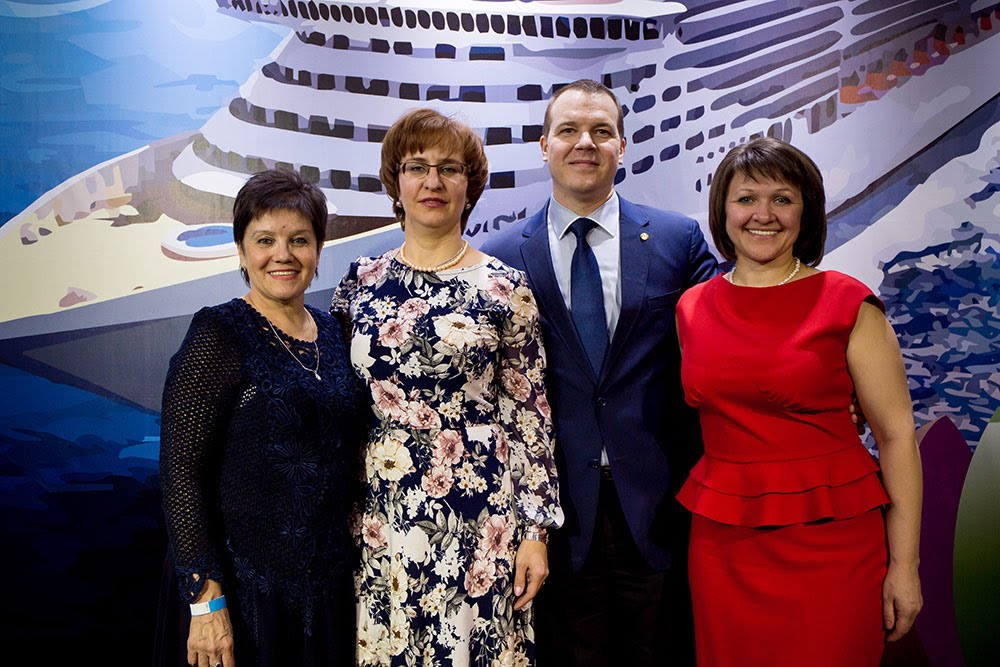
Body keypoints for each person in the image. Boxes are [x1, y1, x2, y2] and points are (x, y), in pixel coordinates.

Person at [481, 79, 717, 666]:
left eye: (600, 131)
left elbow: (733, 326)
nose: (584, 143)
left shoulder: (678, 239)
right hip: (556, 519)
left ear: (622, 146)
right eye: (568, 130)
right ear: (544, 146)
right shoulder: (499, 257)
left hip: (658, 507)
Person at [675, 137, 923, 666]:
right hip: (724, 548)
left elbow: (897, 436)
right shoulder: (691, 308)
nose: (763, 215)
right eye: (746, 199)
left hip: (833, 546)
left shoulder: (848, 301)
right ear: (723, 211)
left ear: (805, 211)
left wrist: (905, 567)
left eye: (782, 199)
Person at [331, 108, 563, 666]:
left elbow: (529, 416)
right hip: (381, 515)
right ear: (396, 182)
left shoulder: (506, 288)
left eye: (449, 168)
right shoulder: (359, 282)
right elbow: (337, 408)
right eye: (417, 167)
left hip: (480, 517)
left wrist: (536, 533)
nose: (432, 181)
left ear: (469, 185)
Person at [155, 169, 365, 667]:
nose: (282, 255)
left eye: (299, 240)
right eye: (265, 240)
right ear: (241, 250)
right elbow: (181, 472)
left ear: (319, 250)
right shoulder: (219, 333)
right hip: (240, 596)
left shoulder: (335, 331)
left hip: (324, 593)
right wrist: (206, 602)